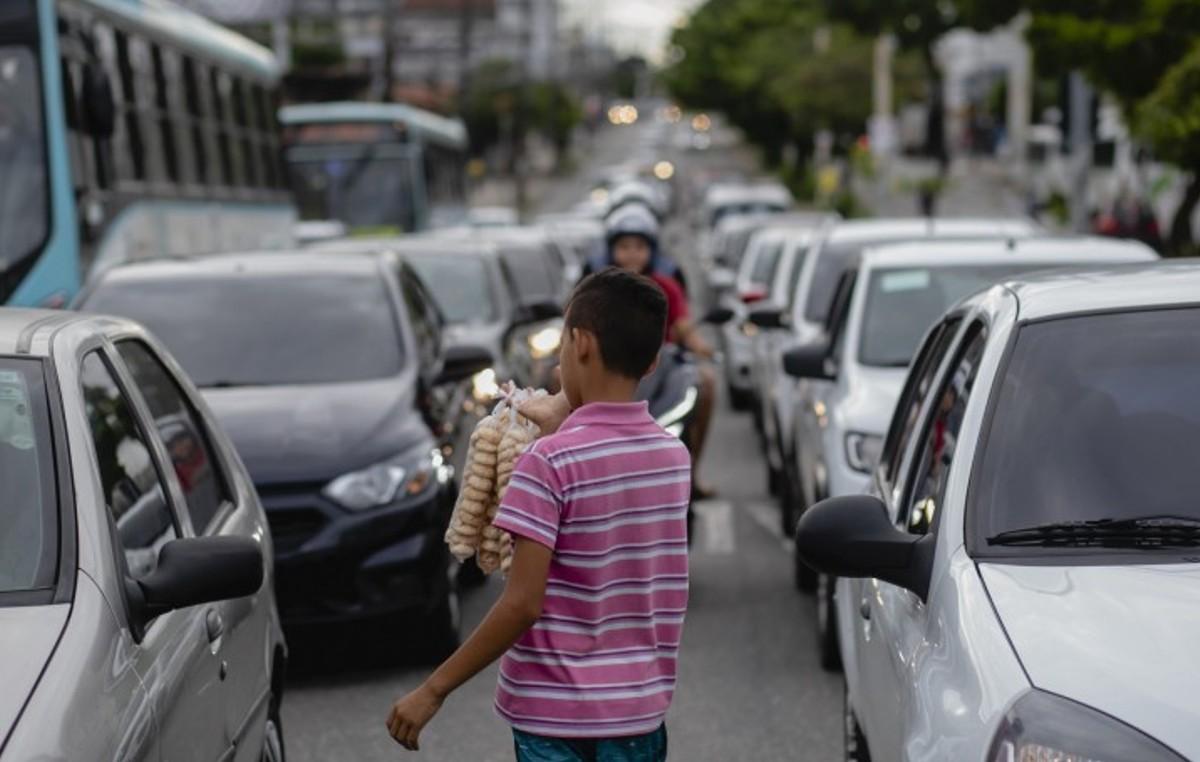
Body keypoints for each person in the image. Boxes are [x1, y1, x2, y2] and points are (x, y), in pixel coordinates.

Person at [387, 268, 691, 760]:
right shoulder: (672, 458)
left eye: (563, 349)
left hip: (556, 719)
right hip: (638, 713)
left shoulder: (547, 463)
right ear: (654, 360)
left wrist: (434, 689)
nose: (554, 369)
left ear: (581, 343)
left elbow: (523, 603)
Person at [603, 204, 719, 497]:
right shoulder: (599, 289)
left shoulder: (667, 287)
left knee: (706, 384)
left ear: (651, 250)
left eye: (639, 246)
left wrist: (702, 347)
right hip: (608, 371)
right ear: (611, 250)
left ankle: (693, 471)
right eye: (624, 246)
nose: (631, 254)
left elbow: (683, 326)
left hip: (662, 369)